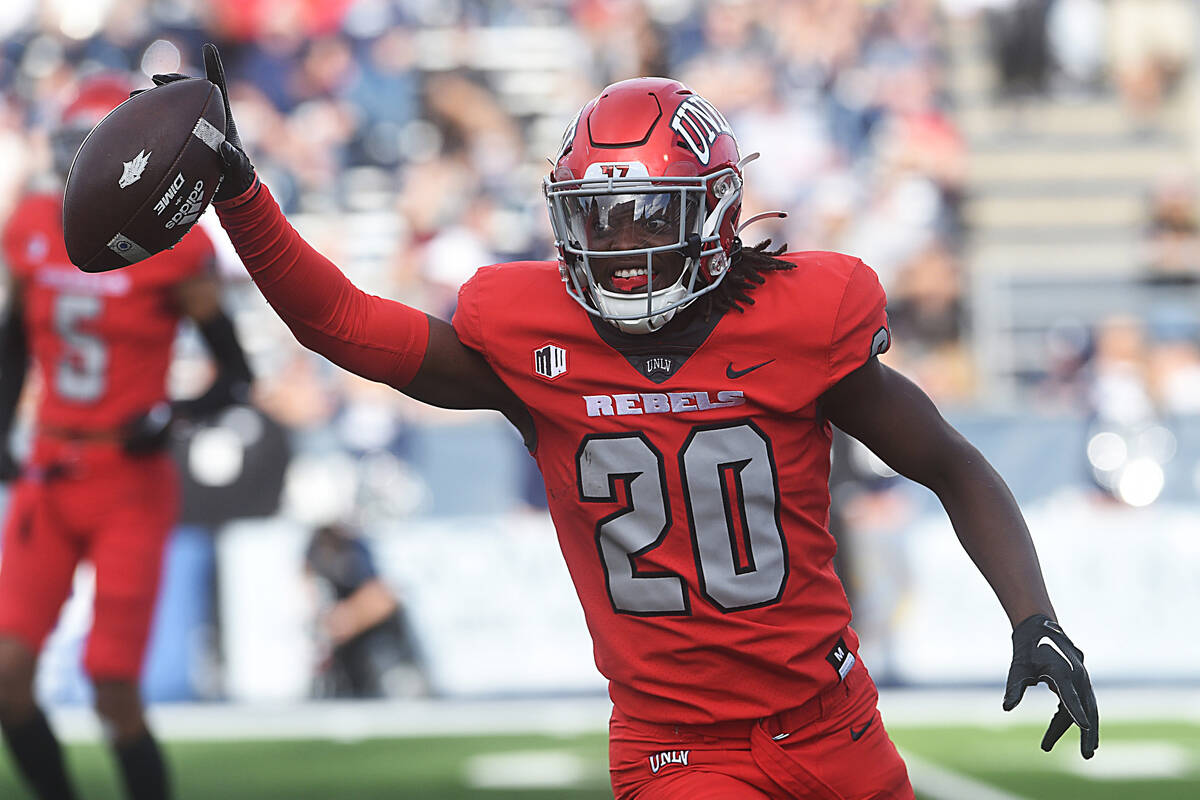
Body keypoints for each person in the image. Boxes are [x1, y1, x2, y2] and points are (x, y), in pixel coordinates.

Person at [208, 45, 1095, 798]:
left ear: (714, 211)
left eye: (644, 219)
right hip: (681, 751)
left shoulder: (799, 321)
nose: (620, 247)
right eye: (598, 221)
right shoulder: (531, 341)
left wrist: (1035, 619)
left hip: (836, 722)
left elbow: (950, 463)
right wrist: (243, 194)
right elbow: (346, 324)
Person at [0, 74, 253, 800]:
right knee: (7, 677)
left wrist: (170, 416)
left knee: (112, 684)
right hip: (50, 466)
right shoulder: (29, 225)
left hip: (128, 482)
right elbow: (15, 337)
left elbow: (233, 374)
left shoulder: (171, 242)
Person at [305, 523, 424, 699]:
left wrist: (345, 620)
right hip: (344, 650)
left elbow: (385, 595)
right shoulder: (315, 547)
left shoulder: (363, 544)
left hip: (379, 646)